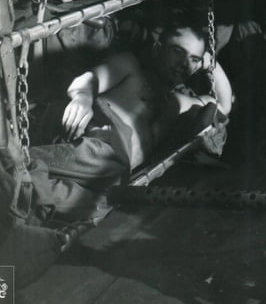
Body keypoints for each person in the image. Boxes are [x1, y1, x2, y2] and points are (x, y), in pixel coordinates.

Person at [30, 19, 233, 221]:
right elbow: (90, 80)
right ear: (157, 48)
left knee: (92, 204)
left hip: (115, 177)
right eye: (178, 51)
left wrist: (209, 61)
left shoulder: (179, 102)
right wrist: (82, 98)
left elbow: (223, 105)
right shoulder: (132, 68)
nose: (184, 63)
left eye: (194, 59)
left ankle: (21, 184)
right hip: (99, 146)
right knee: (88, 170)